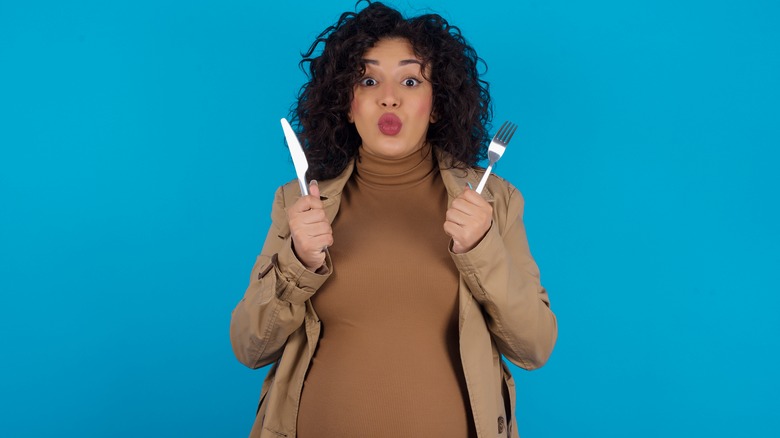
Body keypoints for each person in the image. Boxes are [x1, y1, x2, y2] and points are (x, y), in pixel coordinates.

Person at [230, 2, 557, 437]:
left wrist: (482, 249)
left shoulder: (494, 201)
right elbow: (250, 348)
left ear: (436, 105)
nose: (389, 96)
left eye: (410, 80)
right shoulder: (298, 202)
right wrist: (297, 260)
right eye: (368, 80)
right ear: (346, 104)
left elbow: (534, 347)